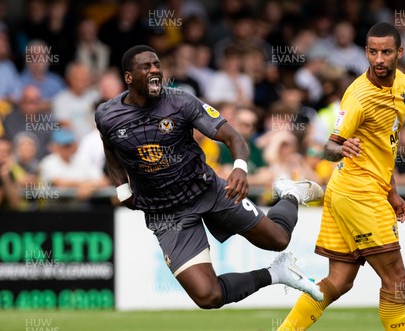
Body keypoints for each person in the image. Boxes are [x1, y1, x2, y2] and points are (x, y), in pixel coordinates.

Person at [255, 23, 405, 331]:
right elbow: (328, 146)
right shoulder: (358, 96)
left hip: (363, 191)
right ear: (365, 52)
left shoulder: (404, 86)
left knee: (338, 281)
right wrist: (340, 148)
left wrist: (392, 191)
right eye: (371, 52)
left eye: (385, 52)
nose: (377, 59)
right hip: (357, 194)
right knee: (396, 279)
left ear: (399, 53)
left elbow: (385, 148)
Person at [96, 45, 324, 314]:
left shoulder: (181, 102)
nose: (155, 70)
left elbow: (233, 137)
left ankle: (290, 194)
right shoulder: (107, 115)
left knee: (277, 240)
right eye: (146, 67)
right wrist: (123, 188)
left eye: (157, 64)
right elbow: (110, 148)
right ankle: (276, 273)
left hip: (208, 191)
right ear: (129, 77)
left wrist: (239, 167)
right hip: (166, 214)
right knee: (207, 296)